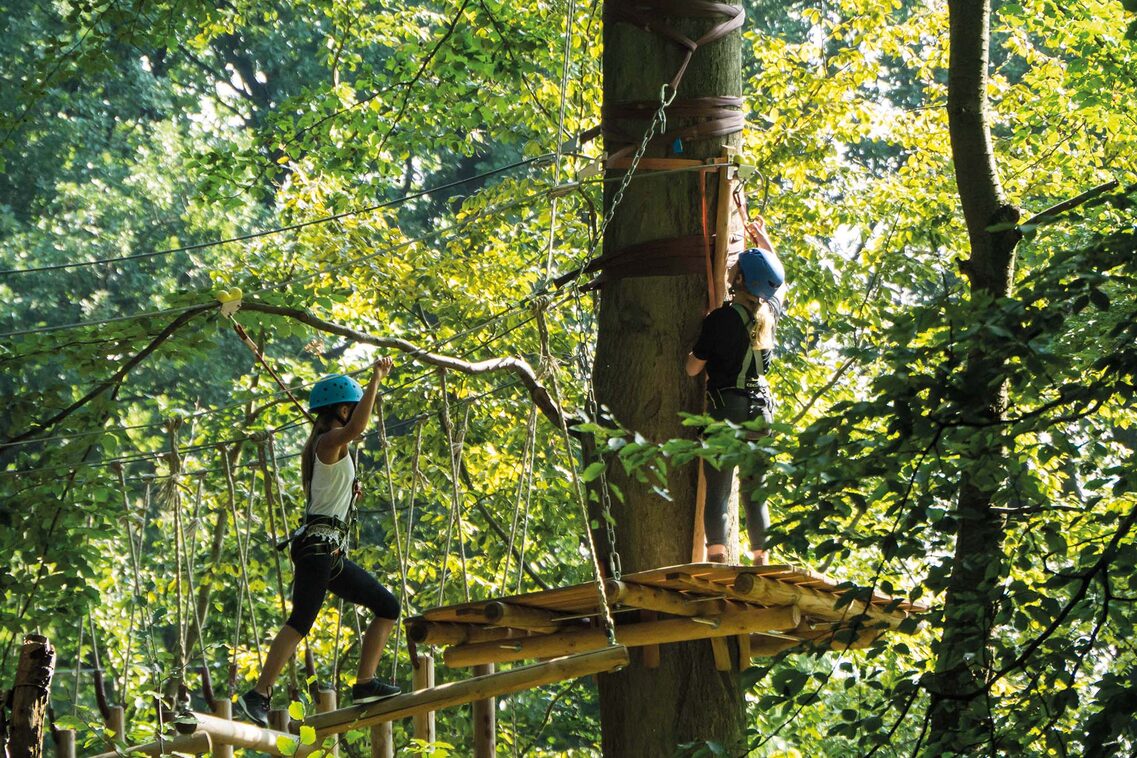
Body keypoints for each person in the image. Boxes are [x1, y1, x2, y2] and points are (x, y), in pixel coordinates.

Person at [238, 358, 402, 727]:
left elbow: (329, 494)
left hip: (330, 552)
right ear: (344, 410)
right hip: (316, 549)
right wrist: (376, 378)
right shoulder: (328, 442)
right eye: (354, 408)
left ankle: (364, 683)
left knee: (387, 606)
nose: (357, 415)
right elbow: (359, 427)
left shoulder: (327, 447)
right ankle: (258, 694)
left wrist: (349, 493)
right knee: (300, 622)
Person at [686, 224, 787, 565]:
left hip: (726, 409)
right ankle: (761, 560)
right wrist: (765, 246)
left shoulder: (721, 319)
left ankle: (717, 560)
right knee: (755, 490)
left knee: (719, 489)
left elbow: (692, 369)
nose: (731, 267)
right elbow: (778, 284)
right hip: (762, 412)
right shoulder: (769, 315)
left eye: (737, 266)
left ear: (740, 280)